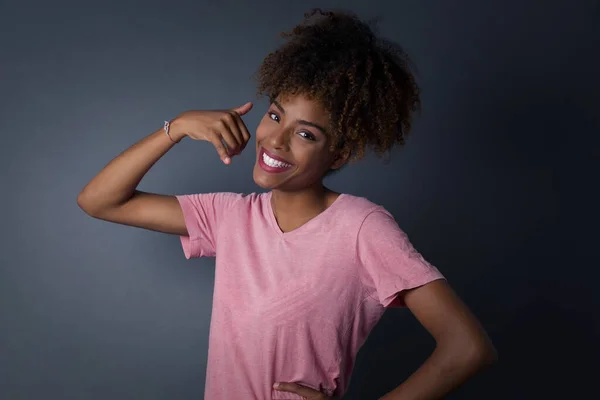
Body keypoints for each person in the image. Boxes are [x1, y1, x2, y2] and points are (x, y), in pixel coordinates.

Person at [77, 8, 496, 400]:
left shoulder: (362, 228)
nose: (276, 141)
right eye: (276, 116)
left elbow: (467, 347)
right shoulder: (230, 217)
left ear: (339, 154)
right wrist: (179, 126)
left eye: (306, 134)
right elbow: (99, 201)